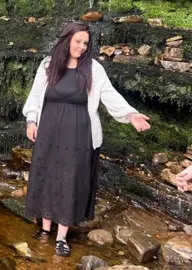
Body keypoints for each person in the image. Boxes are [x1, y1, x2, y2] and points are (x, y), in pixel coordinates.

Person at [22, 22, 151, 257]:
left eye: (85, 43)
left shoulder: (93, 69)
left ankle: (61, 236)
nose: (82, 47)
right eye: (78, 41)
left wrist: (131, 114)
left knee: (69, 179)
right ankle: (45, 228)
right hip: (49, 131)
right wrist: (32, 120)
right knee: (46, 175)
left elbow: (110, 94)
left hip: (78, 134)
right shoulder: (48, 64)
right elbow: (36, 94)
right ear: (66, 40)